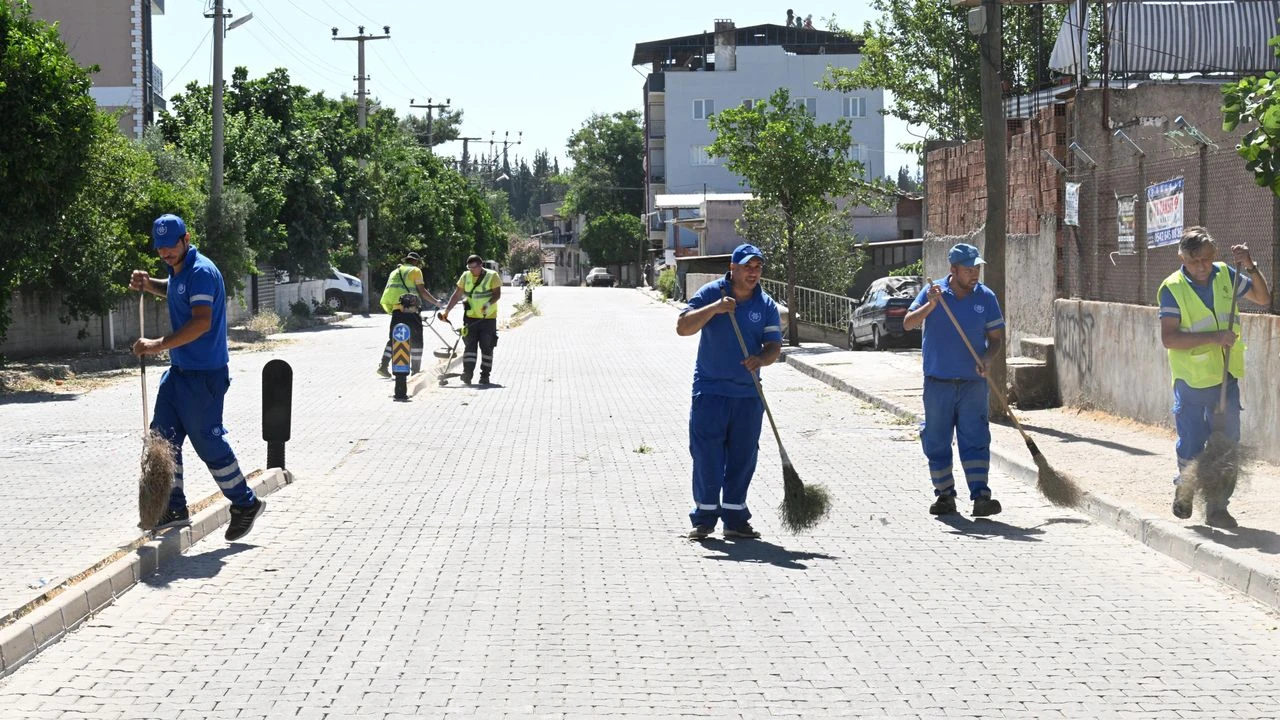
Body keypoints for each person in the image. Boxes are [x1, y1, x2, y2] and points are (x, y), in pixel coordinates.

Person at [130, 214, 265, 541]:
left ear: (186, 239)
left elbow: (201, 322)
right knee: (163, 439)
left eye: (171, 246)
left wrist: (157, 345)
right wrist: (149, 284)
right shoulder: (178, 270)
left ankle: (245, 503)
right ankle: (173, 508)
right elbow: (176, 289)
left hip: (204, 376)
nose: (165, 253)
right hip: (178, 374)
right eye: (160, 249)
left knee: (208, 442)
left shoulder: (202, 271)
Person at [1159, 227, 1270, 528]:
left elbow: (1262, 298)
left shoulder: (1225, 275)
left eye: (1207, 259)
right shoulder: (1172, 288)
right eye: (1194, 261)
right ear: (1182, 258)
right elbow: (1169, 338)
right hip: (1191, 382)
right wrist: (1214, 337)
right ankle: (1185, 489)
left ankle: (1218, 508)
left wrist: (1249, 265)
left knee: (1227, 444)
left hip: (1225, 378)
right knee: (1193, 443)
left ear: (1215, 255)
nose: (1202, 267)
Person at [676, 243, 783, 540]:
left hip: (748, 395)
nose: (753, 272)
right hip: (710, 391)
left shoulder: (766, 305)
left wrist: (760, 359)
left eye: (758, 267)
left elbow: (774, 347)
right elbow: (683, 327)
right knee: (707, 455)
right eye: (748, 266)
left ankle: (735, 520)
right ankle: (704, 518)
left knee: (743, 457)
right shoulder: (711, 293)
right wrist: (715, 309)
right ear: (733, 268)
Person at [902, 242, 1005, 517]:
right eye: (969, 269)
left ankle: (981, 497)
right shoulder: (933, 291)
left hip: (973, 384)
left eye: (977, 269)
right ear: (954, 269)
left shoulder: (986, 297)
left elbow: (996, 340)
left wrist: (987, 359)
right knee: (936, 440)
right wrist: (931, 305)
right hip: (938, 382)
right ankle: (945, 495)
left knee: (976, 438)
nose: (974, 274)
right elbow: (908, 323)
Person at [377, 252, 441, 377]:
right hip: (411, 310)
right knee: (416, 339)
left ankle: (383, 366)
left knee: (395, 338)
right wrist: (436, 302)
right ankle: (415, 370)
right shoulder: (415, 271)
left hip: (397, 310)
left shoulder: (394, 272)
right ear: (416, 261)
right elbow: (422, 291)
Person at [440, 254, 502, 385]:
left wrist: (488, 304)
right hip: (470, 318)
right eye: (469, 268)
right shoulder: (465, 276)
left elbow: (497, 294)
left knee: (487, 347)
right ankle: (467, 374)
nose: (472, 270)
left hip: (488, 318)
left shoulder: (492, 275)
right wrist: (447, 311)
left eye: (474, 267)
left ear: (481, 265)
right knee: (469, 347)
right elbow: (457, 294)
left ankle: (485, 376)